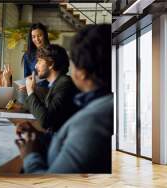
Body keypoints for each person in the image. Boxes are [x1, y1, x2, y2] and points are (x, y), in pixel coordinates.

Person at [16, 24, 113, 174]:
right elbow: (64, 134)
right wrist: (40, 136)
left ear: (82, 72)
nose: (35, 67)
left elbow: (52, 183)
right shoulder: (95, 104)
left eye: (73, 61)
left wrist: (30, 155)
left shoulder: (91, 121)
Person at [24, 44, 79, 133]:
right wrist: (33, 90)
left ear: (51, 64)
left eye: (39, 61)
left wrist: (30, 91)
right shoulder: (56, 84)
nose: (35, 66)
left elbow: (45, 120)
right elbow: (30, 107)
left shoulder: (65, 84)